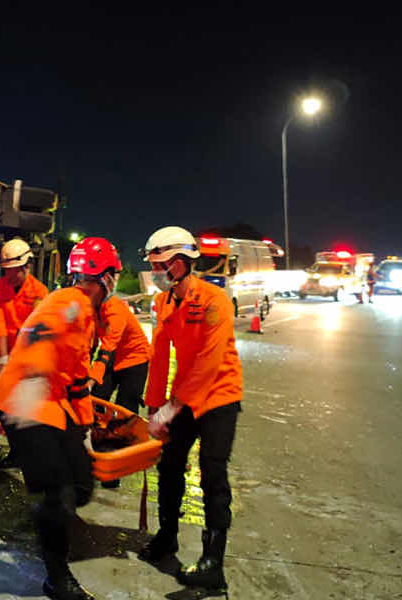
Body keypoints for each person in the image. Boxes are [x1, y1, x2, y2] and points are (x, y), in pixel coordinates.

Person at [0, 237, 121, 600]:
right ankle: (57, 578)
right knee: (58, 492)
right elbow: (43, 347)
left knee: (81, 484)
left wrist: (84, 426)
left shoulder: (74, 305)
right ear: (105, 276)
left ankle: (48, 517)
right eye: (113, 275)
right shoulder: (73, 306)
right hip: (27, 402)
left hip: (49, 400)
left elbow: (75, 374)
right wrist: (34, 395)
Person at [137, 226, 243, 595]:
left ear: (181, 263)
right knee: (169, 467)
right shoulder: (163, 303)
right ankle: (167, 536)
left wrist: (172, 407)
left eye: (160, 265)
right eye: (153, 265)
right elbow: (158, 355)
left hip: (219, 396)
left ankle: (213, 563)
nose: (155, 272)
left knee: (213, 473)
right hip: (182, 396)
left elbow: (209, 362)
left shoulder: (215, 300)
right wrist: (154, 406)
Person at [0, 238, 50, 469]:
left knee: (30, 409)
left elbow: (37, 330)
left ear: (26, 266)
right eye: (7, 270)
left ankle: (34, 452)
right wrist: (3, 357)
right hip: (9, 354)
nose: (10, 275)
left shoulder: (39, 292)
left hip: (31, 355)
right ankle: (17, 451)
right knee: (4, 407)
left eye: (14, 270)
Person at [89, 294, 150, 488]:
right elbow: (91, 341)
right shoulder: (90, 308)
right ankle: (96, 453)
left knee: (125, 411)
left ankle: (115, 468)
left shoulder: (115, 309)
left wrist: (93, 377)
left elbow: (108, 345)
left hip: (135, 358)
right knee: (96, 401)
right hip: (114, 356)